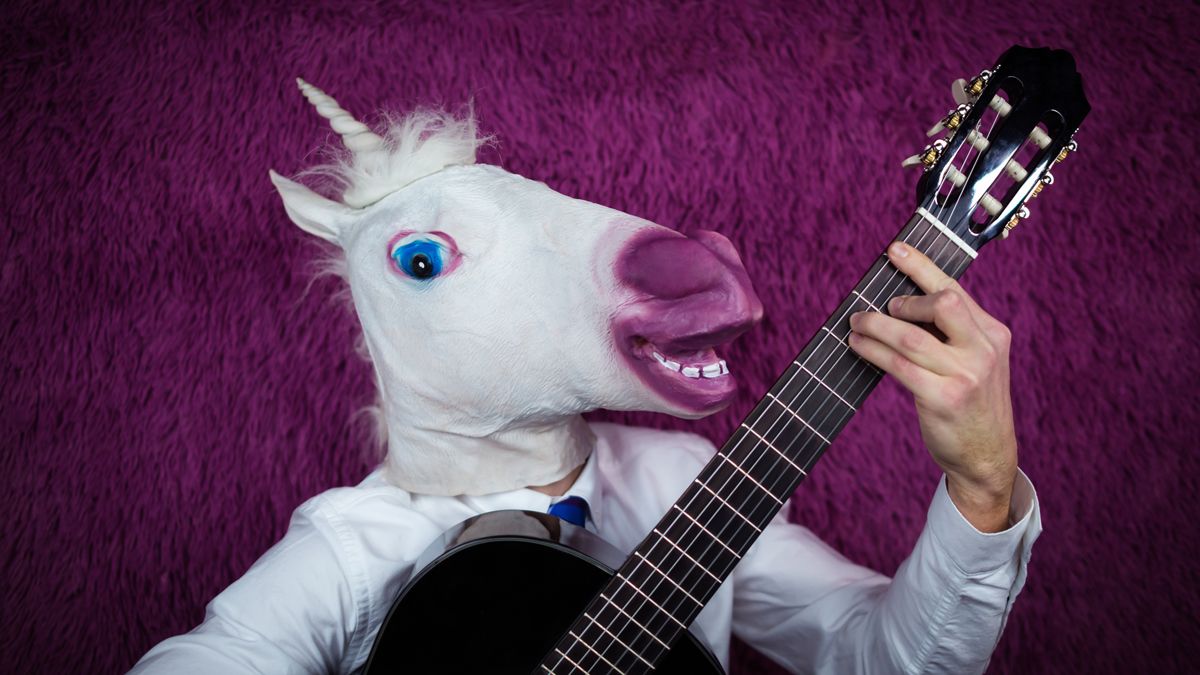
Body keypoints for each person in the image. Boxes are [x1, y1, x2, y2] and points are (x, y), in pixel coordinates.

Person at [130, 82, 1039, 675]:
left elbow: (883, 660)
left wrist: (984, 487)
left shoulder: (687, 481)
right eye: (420, 261)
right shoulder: (351, 551)